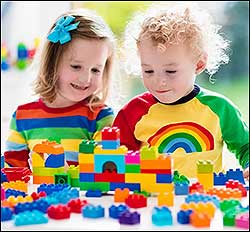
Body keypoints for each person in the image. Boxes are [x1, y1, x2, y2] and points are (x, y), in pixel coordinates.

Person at [113, 2, 249, 179]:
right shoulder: (133, 112)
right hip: (153, 201)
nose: (158, 80)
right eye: (148, 71)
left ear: (199, 64)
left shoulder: (219, 109)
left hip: (206, 201)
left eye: (170, 71)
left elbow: (245, 146)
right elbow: (114, 158)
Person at [4, 8, 117, 167]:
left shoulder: (100, 117)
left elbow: (105, 169)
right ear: (52, 63)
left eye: (95, 70)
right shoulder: (22, 118)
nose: (86, 78)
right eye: (76, 66)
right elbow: (12, 173)